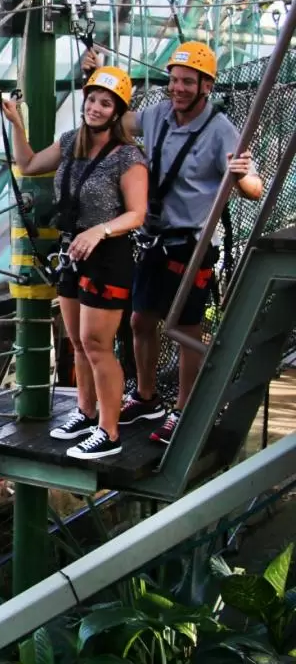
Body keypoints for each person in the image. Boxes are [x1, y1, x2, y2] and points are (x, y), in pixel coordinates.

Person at [82, 42, 263, 445]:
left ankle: (183, 409)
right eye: (174, 81)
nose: (177, 88)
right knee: (140, 321)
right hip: (154, 239)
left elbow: (253, 187)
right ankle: (147, 397)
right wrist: (98, 83)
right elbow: (121, 123)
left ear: (206, 87)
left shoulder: (221, 131)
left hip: (191, 245)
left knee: (185, 330)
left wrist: (243, 175)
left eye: (187, 82)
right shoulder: (159, 114)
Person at [1, 67, 148, 459]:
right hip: (73, 253)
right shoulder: (71, 143)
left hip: (106, 256)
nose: (96, 108)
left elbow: (137, 213)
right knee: (80, 344)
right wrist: (16, 124)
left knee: (98, 345)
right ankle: (85, 412)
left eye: (106, 103)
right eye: (92, 100)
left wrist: (99, 231)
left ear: (117, 112)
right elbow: (29, 165)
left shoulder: (127, 157)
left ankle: (110, 431)